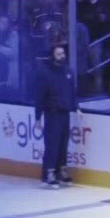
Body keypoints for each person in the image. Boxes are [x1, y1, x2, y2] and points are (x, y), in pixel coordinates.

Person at [33, 42, 78, 188]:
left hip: (65, 113)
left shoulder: (68, 71)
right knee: (52, 144)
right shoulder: (45, 73)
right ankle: (49, 172)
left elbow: (71, 92)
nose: (62, 56)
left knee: (63, 143)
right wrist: (38, 117)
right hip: (52, 113)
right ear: (52, 56)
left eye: (63, 53)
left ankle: (61, 170)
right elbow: (39, 96)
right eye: (59, 54)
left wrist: (76, 107)